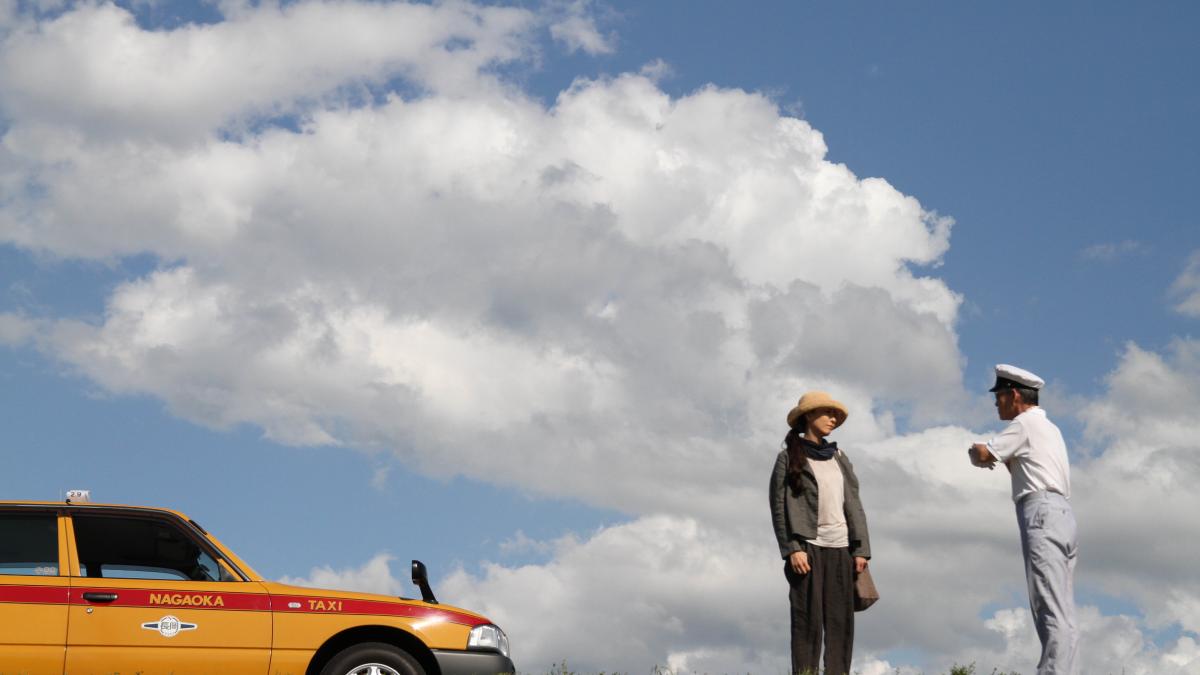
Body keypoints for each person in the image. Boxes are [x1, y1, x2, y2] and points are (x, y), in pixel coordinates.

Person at [969, 364, 1078, 675]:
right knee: (1064, 610)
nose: (996, 403)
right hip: (1062, 514)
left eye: (999, 396)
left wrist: (974, 451)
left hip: (1040, 512)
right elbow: (1022, 465)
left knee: (1048, 606)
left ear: (1013, 394)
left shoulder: (1023, 425)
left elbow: (985, 454)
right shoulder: (1050, 429)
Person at [770, 391, 871, 675]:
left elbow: (854, 502)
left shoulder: (839, 456)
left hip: (842, 549)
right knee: (807, 621)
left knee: (840, 623)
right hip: (807, 549)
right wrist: (792, 548)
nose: (833, 419)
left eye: (835, 415)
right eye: (827, 413)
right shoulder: (787, 458)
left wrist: (861, 549)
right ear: (809, 417)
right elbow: (778, 506)